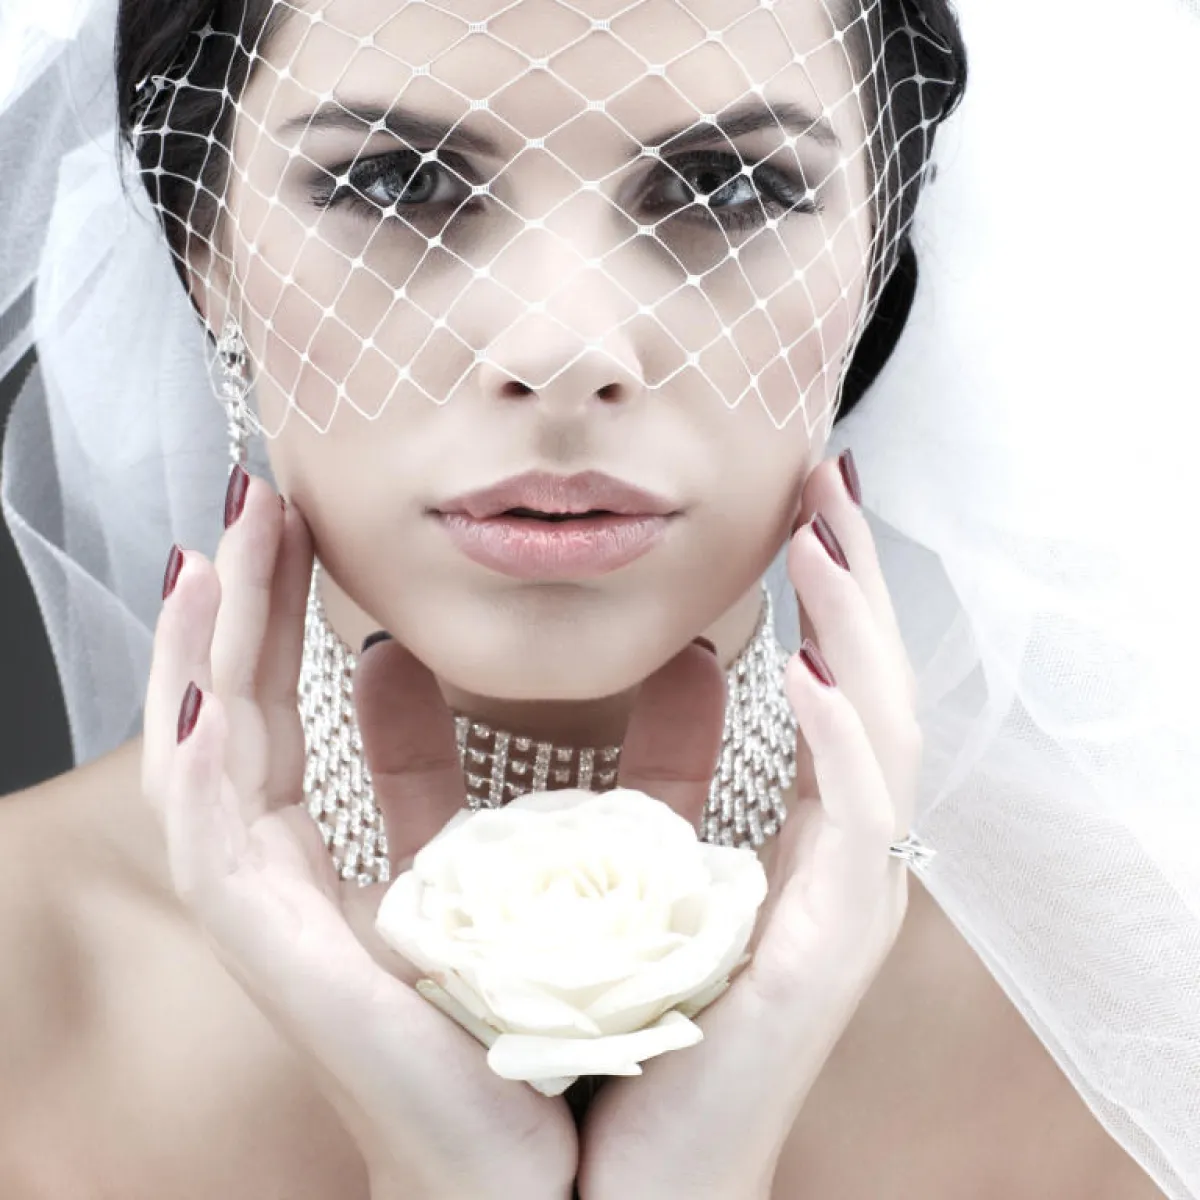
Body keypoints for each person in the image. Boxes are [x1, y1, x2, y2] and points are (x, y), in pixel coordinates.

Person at [1, 0, 1197, 1196]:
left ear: (877, 259)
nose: (565, 350)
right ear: (205, 256)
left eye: (727, 189)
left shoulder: (1139, 1002)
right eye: (397, 183)